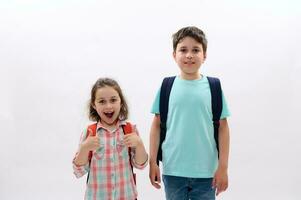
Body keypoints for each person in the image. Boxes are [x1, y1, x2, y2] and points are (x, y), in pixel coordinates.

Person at [149, 26, 230, 200]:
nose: (189, 55)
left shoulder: (214, 87)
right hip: (173, 170)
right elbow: (156, 125)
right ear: (174, 55)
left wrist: (223, 167)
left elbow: (223, 127)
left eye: (196, 50)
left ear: (205, 55)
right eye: (183, 50)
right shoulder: (167, 86)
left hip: (207, 172)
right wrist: (152, 162)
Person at [73, 78, 148, 200]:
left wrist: (139, 144)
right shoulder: (90, 132)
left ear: (121, 102)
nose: (108, 106)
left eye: (113, 100)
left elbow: (141, 165)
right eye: (102, 101)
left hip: (127, 196)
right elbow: (78, 171)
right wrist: (84, 148)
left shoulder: (130, 129)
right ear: (94, 104)